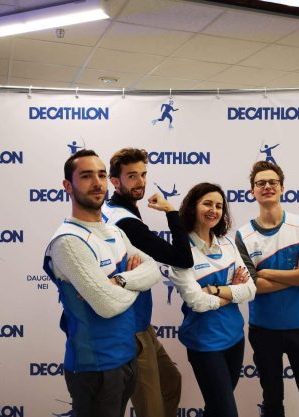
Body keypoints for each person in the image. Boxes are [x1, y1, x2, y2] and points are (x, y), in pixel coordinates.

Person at [43, 149, 161, 417]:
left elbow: (153, 271)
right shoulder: (68, 241)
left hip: (126, 357)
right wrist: (133, 283)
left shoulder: (115, 231)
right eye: (86, 176)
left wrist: (118, 281)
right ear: (67, 186)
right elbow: (107, 305)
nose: (97, 183)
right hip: (94, 367)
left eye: (101, 175)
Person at [102, 148, 192, 417]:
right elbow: (183, 258)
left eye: (143, 174)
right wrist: (171, 211)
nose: (140, 181)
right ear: (115, 181)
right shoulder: (126, 221)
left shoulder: (112, 208)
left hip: (140, 322)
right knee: (151, 409)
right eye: (132, 176)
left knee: (171, 382)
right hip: (129, 327)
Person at [236, 161, 299, 417]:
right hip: (264, 330)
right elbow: (252, 285)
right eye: (260, 183)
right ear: (252, 191)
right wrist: (296, 273)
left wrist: (268, 273)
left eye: (272, 182)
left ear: (282, 187)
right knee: (272, 401)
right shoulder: (243, 235)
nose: (267, 186)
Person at [170, 182, 256, 417]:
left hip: (235, 338)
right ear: (192, 207)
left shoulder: (227, 243)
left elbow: (250, 289)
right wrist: (232, 290)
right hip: (205, 344)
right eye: (207, 204)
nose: (214, 210)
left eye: (219, 206)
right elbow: (197, 302)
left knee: (216, 410)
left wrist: (214, 290)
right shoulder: (181, 250)